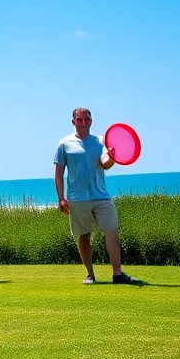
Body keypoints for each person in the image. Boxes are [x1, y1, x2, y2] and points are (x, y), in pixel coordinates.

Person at [54, 107, 140, 285]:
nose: (83, 122)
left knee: (112, 231)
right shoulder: (65, 144)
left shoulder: (101, 141)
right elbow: (58, 173)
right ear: (73, 122)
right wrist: (61, 198)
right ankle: (90, 275)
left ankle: (117, 274)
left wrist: (112, 158)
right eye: (80, 119)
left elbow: (105, 163)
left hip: (101, 196)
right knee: (83, 236)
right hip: (77, 199)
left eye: (87, 119)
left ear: (91, 121)